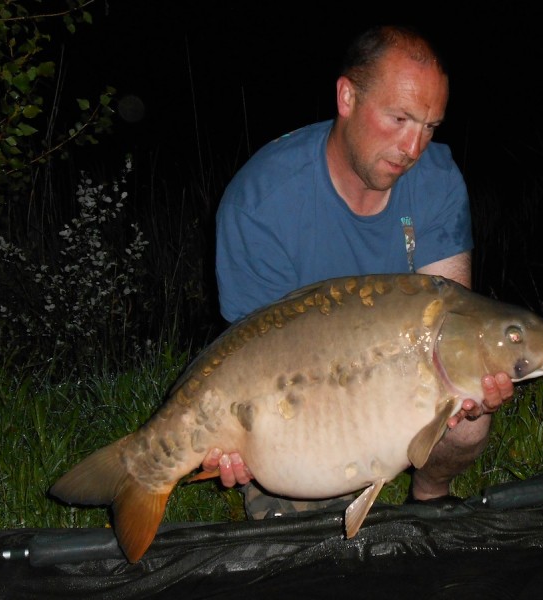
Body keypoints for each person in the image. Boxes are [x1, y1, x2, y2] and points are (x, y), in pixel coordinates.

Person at [201, 24, 514, 516]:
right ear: (347, 97)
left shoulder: (436, 180)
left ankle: (430, 497)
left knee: (469, 414)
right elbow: (253, 355)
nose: (414, 148)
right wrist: (237, 435)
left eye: (430, 127)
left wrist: (470, 371)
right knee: (281, 493)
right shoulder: (259, 203)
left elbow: (453, 314)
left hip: (396, 374)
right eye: (399, 118)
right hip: (302, 388)